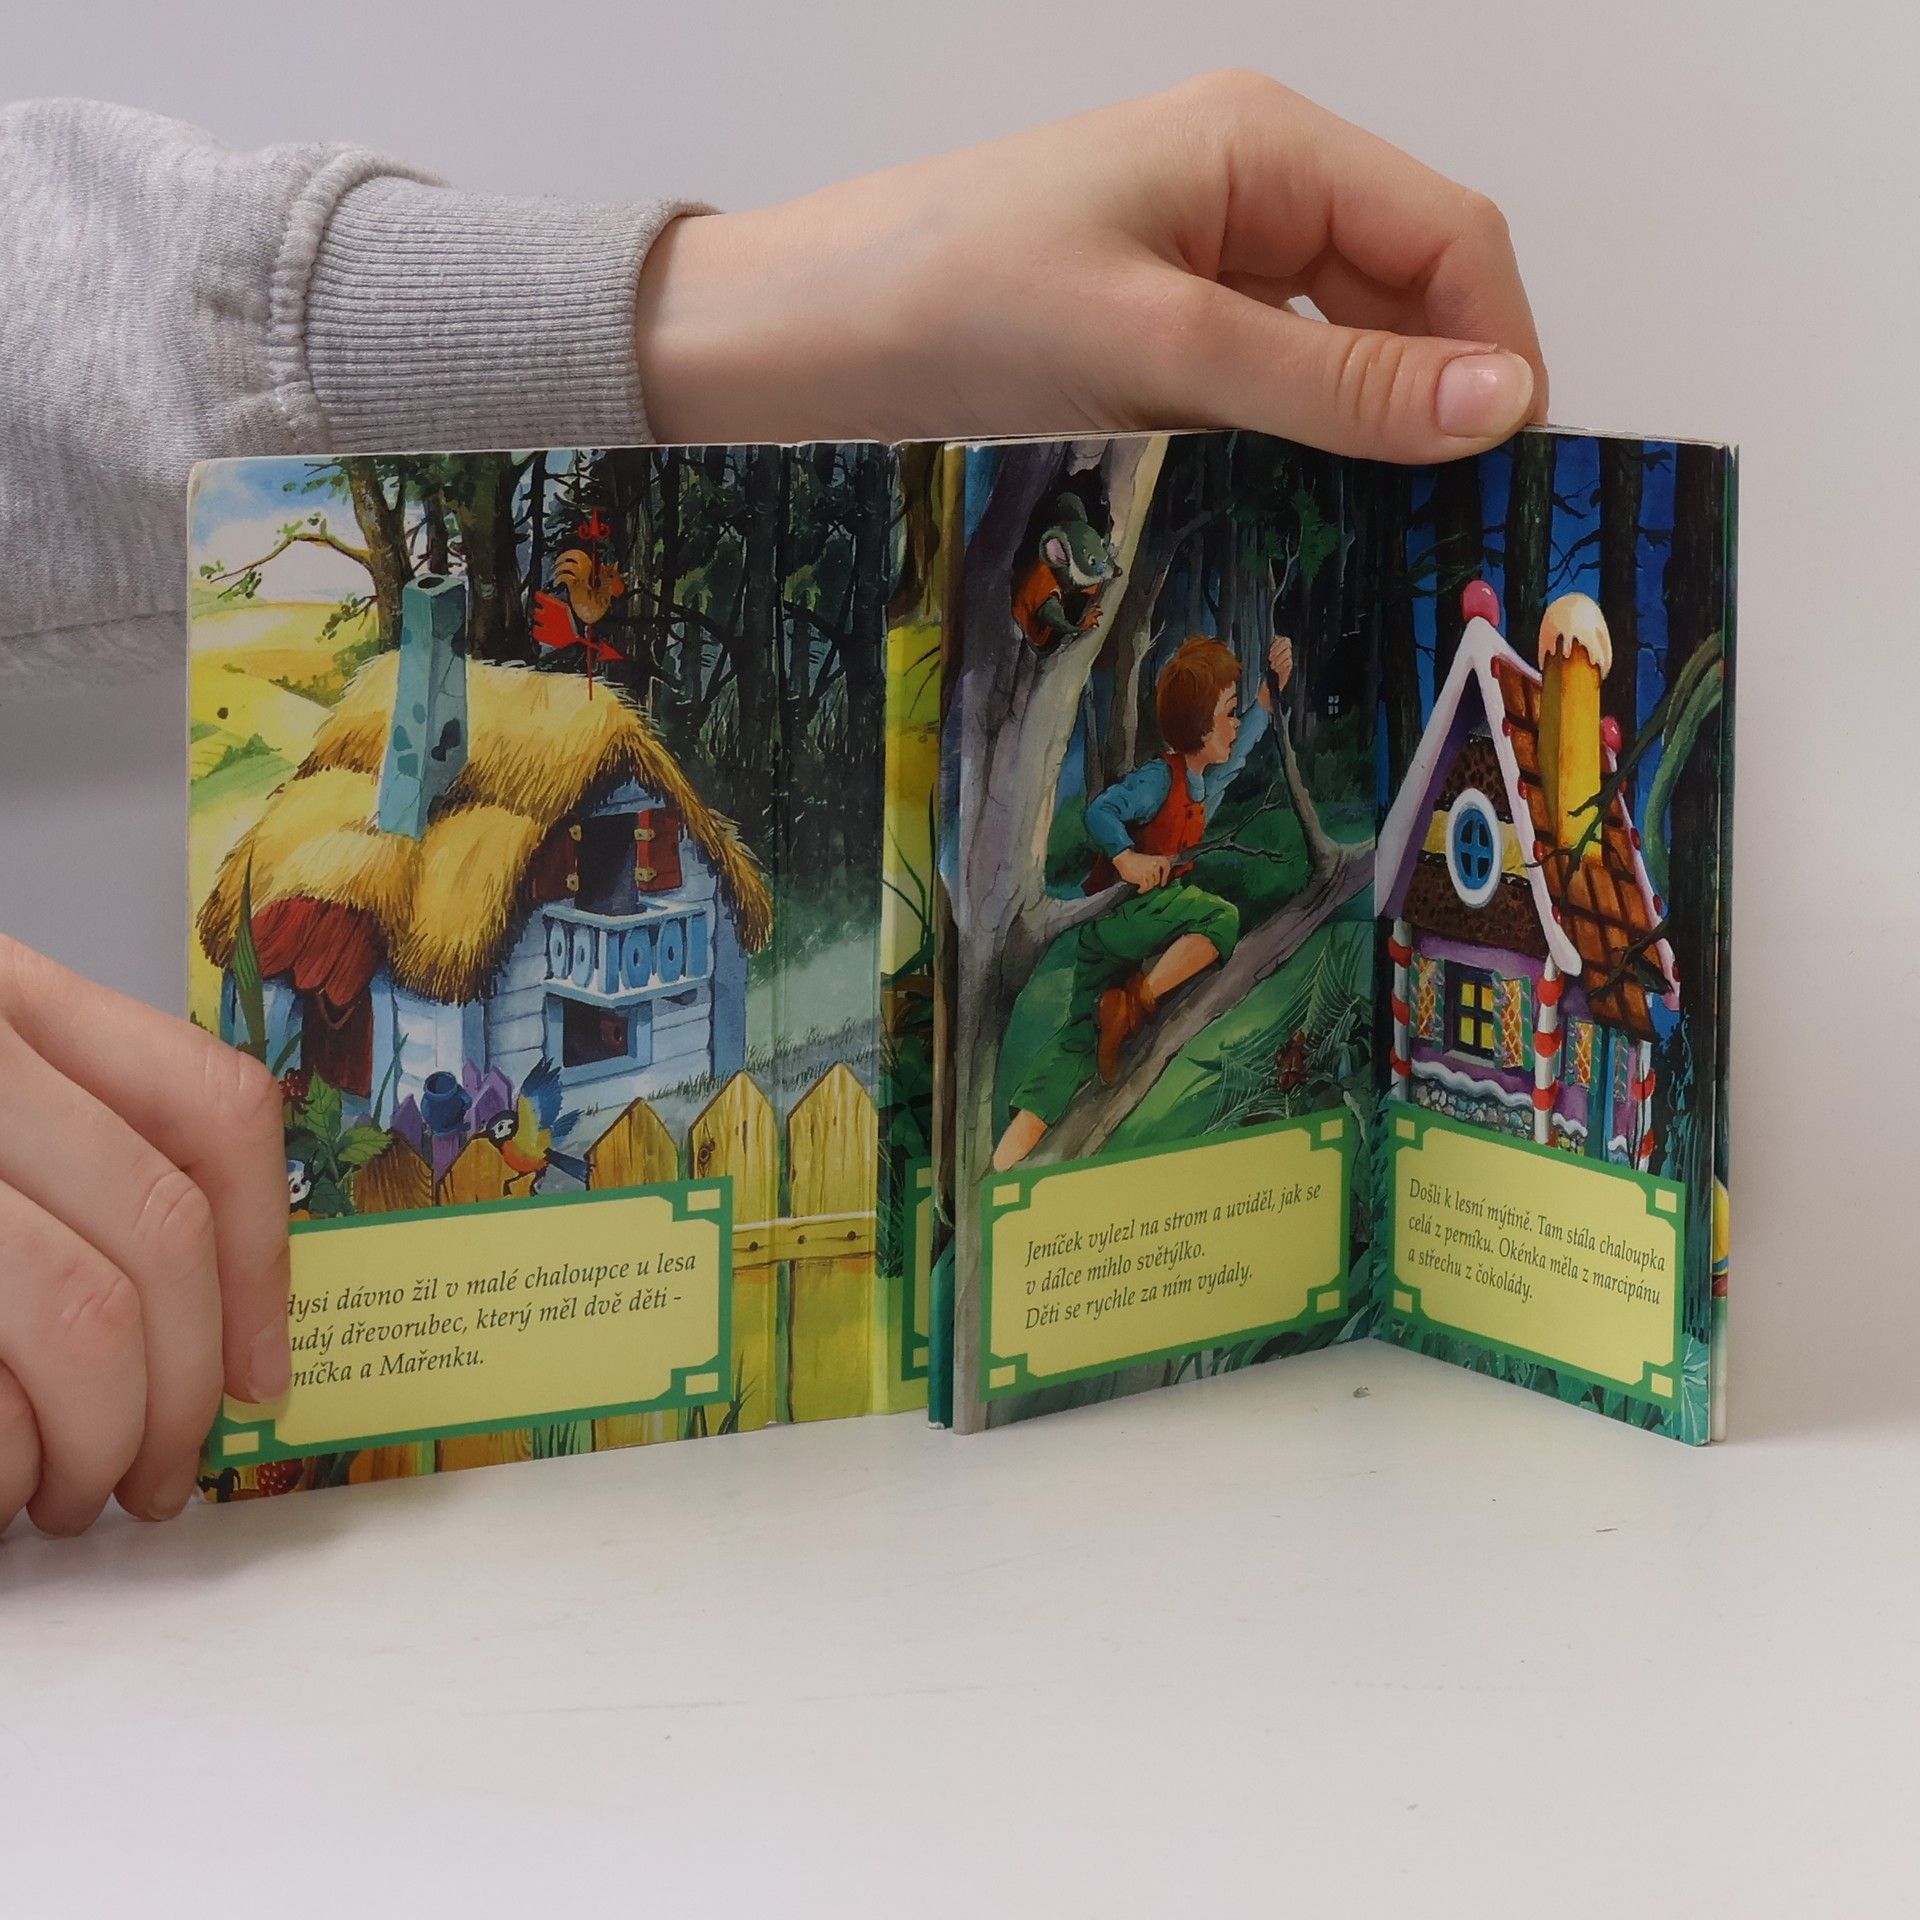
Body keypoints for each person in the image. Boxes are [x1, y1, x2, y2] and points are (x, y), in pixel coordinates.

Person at [0, 72, 1546, 1536]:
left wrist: (777, 303)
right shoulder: (442, 880)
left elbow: (86, 355)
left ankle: (1112, 1036)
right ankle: (1076, 1071)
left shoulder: (1205, 765)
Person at [994, 633, 1292, 1169]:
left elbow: (1241, 748)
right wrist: (1127, 858)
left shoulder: (1203, 780)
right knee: (1220, 917)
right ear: (1199, 726)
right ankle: (1135, 1003)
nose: (1234, 724)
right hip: (1123, 913)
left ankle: (1000, 1168)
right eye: (1227, 713)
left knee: (1077, 1042)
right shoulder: (1160, 777)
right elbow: (1100, 812)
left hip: (1109, 941)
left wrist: (1267, 695)